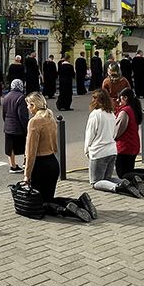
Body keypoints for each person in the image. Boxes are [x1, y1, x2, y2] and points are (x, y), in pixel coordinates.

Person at [23, 93, 93, 222]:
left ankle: (68, 211)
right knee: (49, 198)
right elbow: (55, 146)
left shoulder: (34, 122)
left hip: (40, 165)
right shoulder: (50, 117)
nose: (27, 107)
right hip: (52, 162)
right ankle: (78, 203)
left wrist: (27, 175)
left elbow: (31, 151)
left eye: (28, 105)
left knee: (41, 204)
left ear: (33, 106)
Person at [85, 90, 140, 198]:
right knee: (108, 178)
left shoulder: (95, 114)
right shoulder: (111, 114)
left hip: (99, 151)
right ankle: (127, 183)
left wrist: (87, 149)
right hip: (112, 150)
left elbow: (90, 134)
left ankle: (119, 187)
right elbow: (115, 132)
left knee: (95, 182)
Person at [1, 79, 29, 173]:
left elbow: (4, 113)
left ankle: (13, 166)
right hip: (18, 126)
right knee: (26, 144)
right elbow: (22, 115)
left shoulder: (6, 96)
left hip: (8, 126)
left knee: (10, 147)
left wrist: (6, 123)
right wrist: (27, 127)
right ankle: (26, 164)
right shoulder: (21, 97)